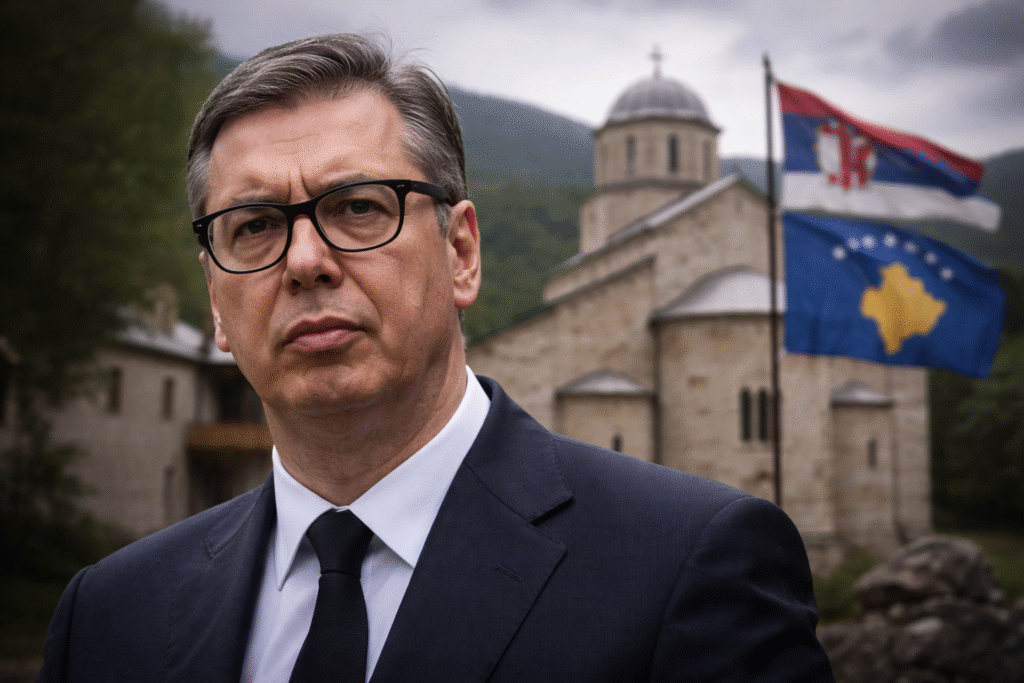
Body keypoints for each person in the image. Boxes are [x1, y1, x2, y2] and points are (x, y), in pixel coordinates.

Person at [37, 34, 835, 682]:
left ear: (461, 253)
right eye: (254, 225)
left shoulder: (691, 566)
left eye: (358, 207)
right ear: (215, 298)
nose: (304, 261)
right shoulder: (109, 616)